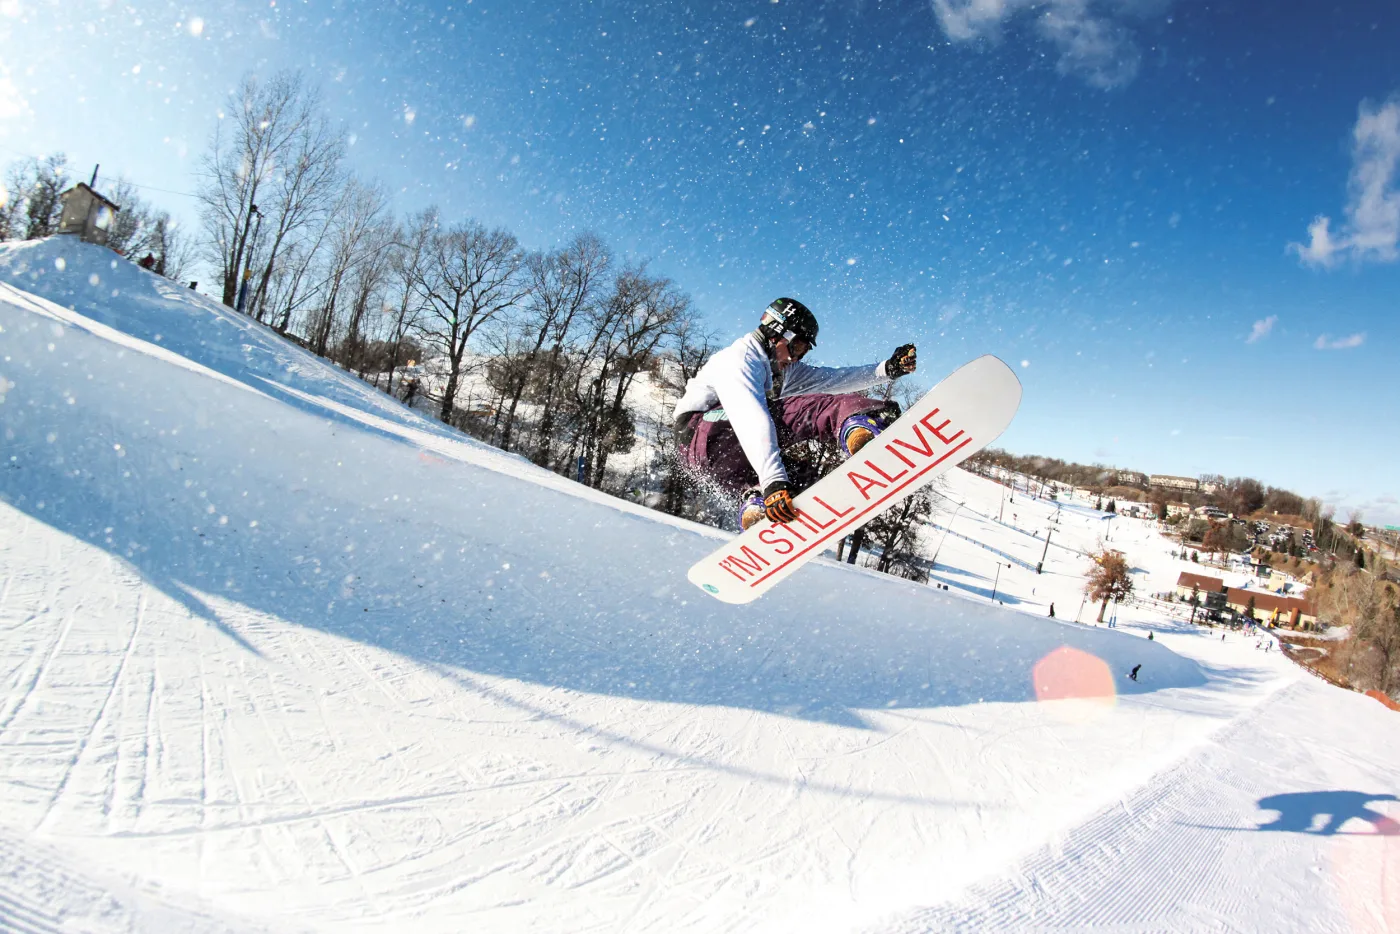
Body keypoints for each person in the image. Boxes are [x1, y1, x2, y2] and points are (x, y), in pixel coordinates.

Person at [673, 297, 917, 529]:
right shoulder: (740, 359)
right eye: (799, 346)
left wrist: (887, 369)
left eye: (804, 351)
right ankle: (860, 424)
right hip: (705, 430)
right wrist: (774, 481)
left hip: (713, 461)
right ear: (780, 334)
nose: (797, 356)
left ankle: (755, 502)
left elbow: (832, 380)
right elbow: (748, 417)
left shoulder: (782, 369)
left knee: (801, 480)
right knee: (813, 409)